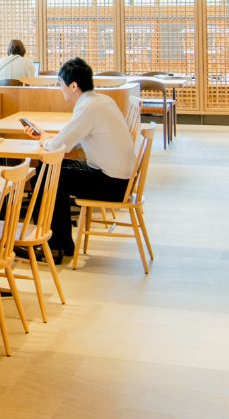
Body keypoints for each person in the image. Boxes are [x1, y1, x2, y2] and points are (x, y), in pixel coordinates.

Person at [20, 58, 139, 264]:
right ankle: (62, 242)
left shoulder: (89, 108)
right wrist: (46, 137)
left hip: (112, 184)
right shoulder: (100, 101)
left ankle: (54, 244)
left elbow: (60, 145)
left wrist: (46, 140)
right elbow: (69, 142)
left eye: (61, 84)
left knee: (48, 174)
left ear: (73, 86)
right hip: (118, 178)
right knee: (51, 169)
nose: (60, 89)